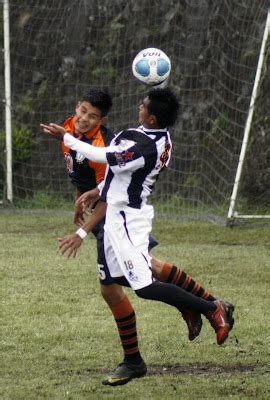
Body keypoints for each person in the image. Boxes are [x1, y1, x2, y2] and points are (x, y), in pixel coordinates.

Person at [41, 87, 234, 386]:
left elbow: (104, 156)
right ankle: (184, 311)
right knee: (115, 281)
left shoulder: (144, 145)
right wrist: (95, 191)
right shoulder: (142, 134)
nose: (138, 106)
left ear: (153, 117)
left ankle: (211, 308)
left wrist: (64, 138)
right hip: (117, 215)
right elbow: (113, 173)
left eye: (143, 105)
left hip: (127, 219)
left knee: (143, 285)